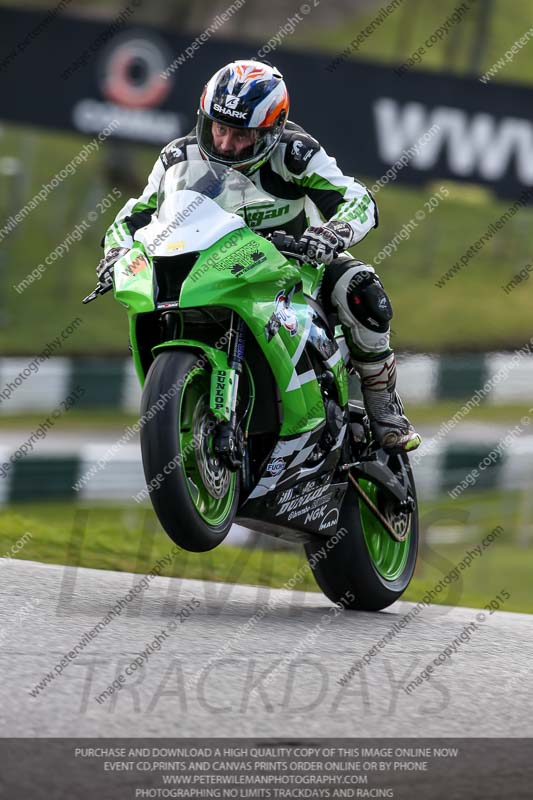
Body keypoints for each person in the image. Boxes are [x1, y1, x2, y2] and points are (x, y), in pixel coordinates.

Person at [98, 59, 420, 451]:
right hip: (213, 271)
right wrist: (116, 252)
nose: (226, 144)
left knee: (360, 287)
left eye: (241, 136)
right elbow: (135, 216)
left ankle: (383, 405)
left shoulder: (296, 153)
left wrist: (332, 234)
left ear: (271, 131)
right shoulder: (177, 159)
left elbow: (356, 198)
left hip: (295, 268)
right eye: (219, 129)